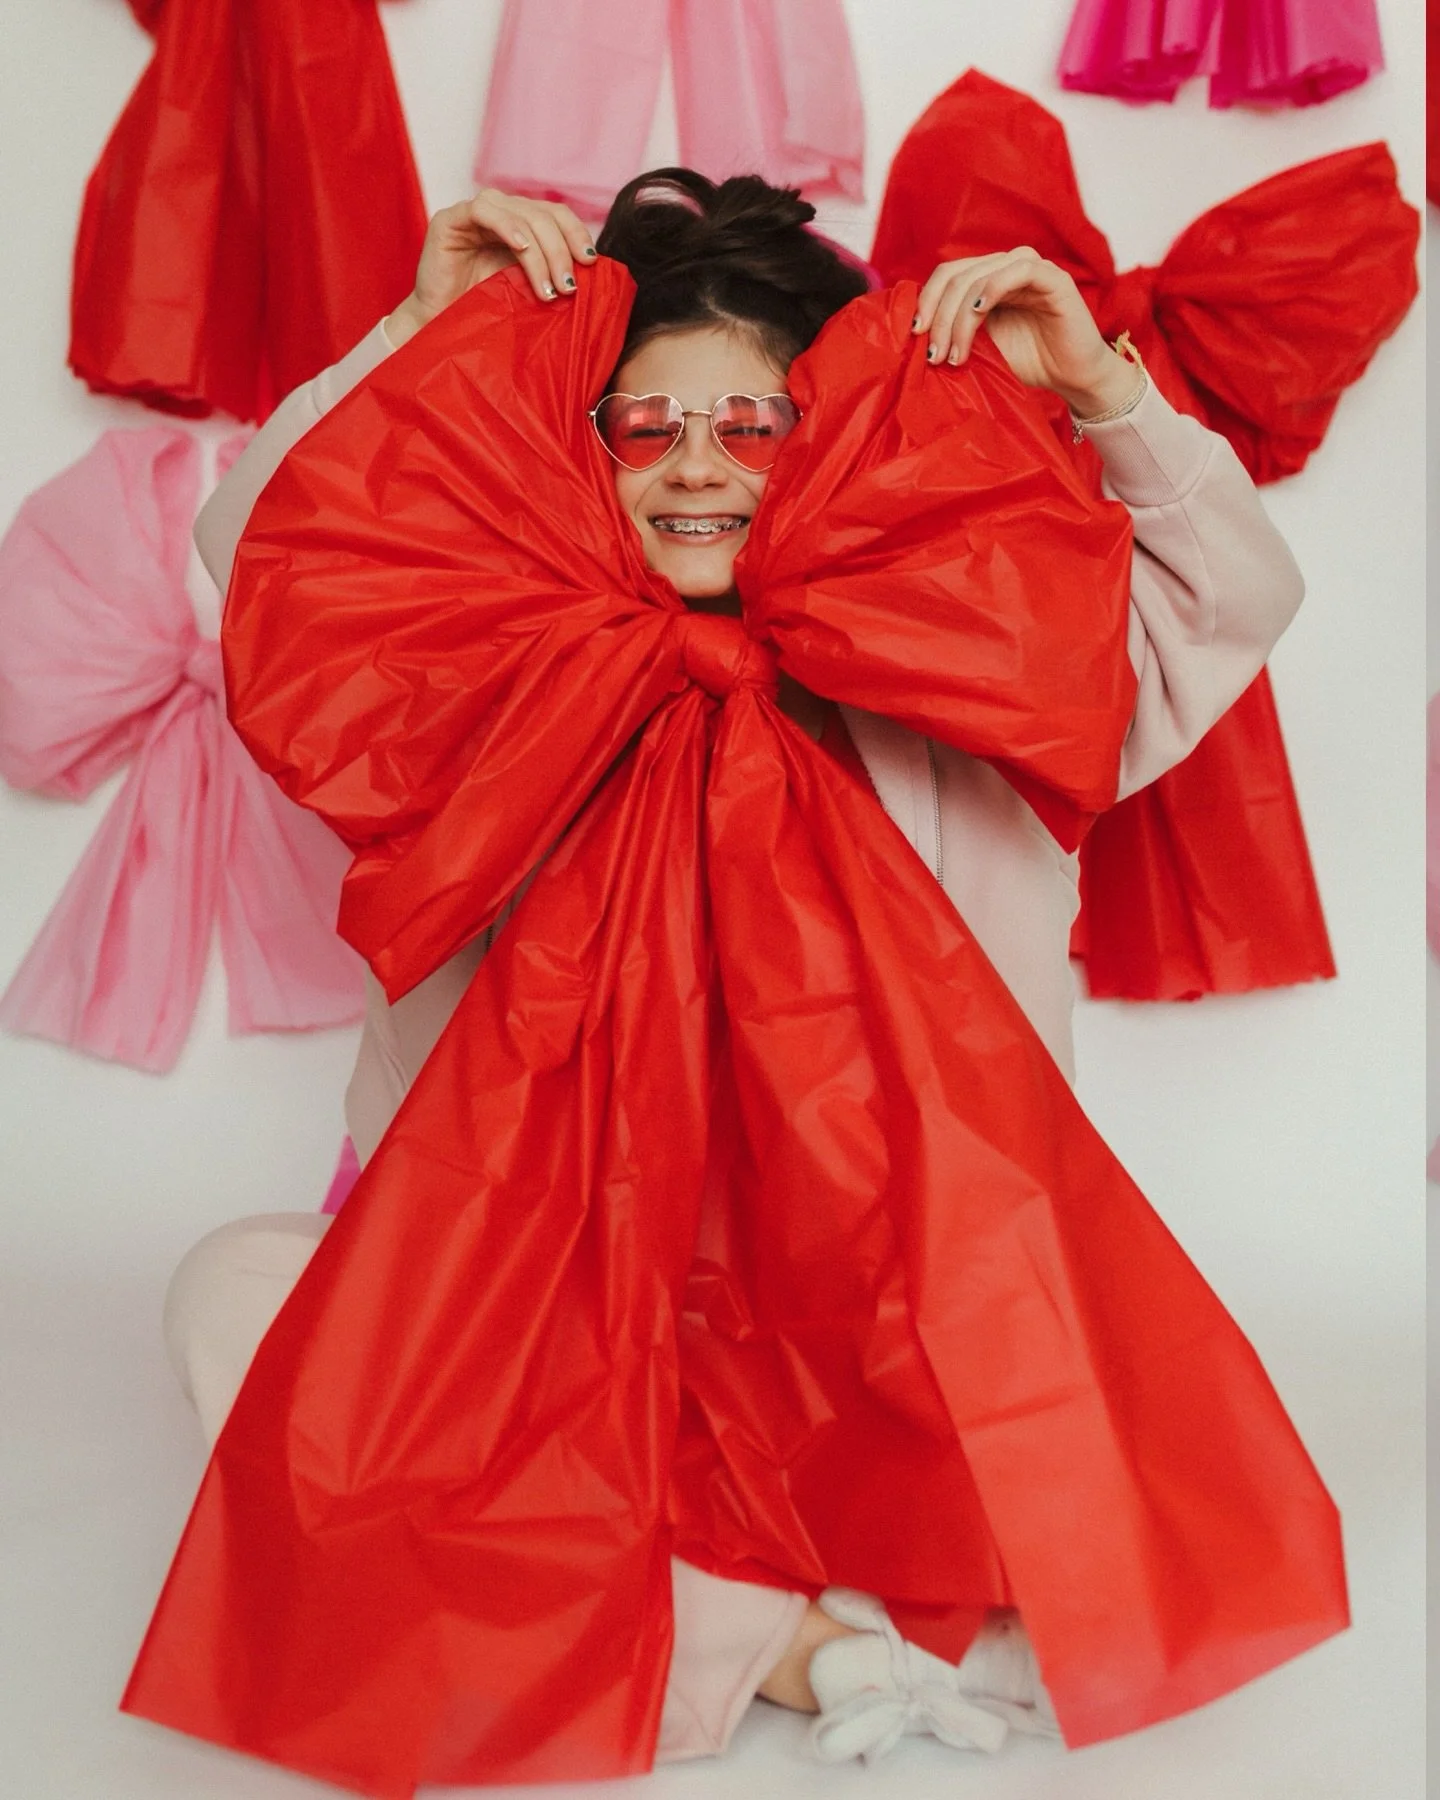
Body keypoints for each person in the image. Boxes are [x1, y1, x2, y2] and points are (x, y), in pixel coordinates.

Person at [159, 169, 1306, 1771]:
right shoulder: (486, 669)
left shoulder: (968, 663)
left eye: (755, 428)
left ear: (827, 443)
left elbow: (1232, 595)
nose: (699, 465)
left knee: (1084, 1467)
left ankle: (628, 1608)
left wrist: (1102, 385)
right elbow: (274, 550)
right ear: (584, 450)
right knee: (234, 1299)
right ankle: (788, 1646)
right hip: (547, 1324)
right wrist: (418, 329)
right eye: (647, 428)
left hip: (872, 1344)